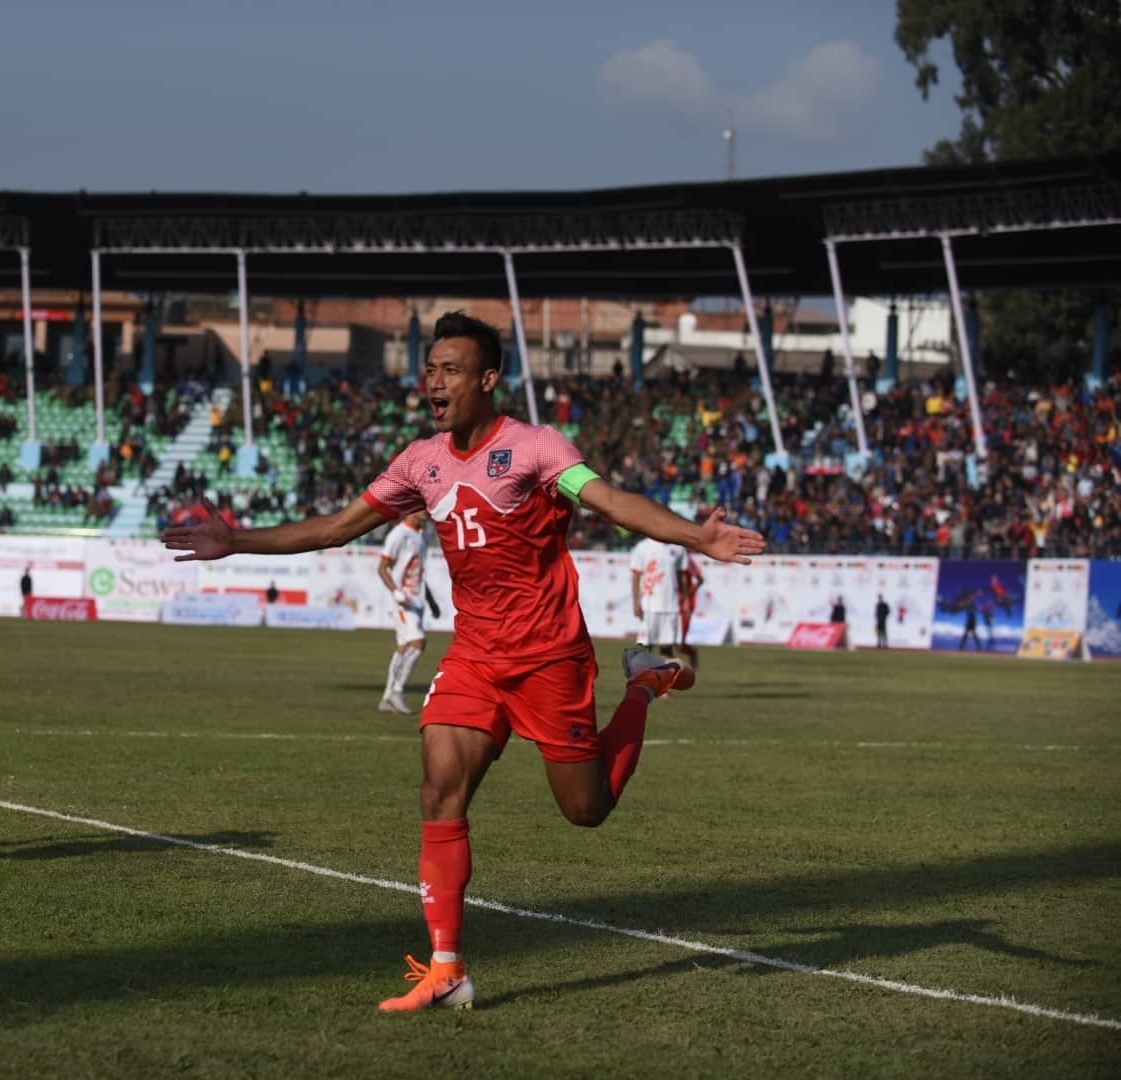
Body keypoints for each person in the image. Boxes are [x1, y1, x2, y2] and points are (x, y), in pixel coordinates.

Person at [163, 312, 764, 1011]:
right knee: (438, 790)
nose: (434, 381)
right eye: (430, 369)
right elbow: (333, 528)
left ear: (486, 379)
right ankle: (446, 969)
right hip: (476, 654)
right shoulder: (420, 462)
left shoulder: (536, 449)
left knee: (587, 810)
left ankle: (644, 684)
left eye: (450, 369)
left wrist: (698, 537)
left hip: (548, 658)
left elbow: (612, 501)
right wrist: (236, 542)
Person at [375, 511, 439, 714]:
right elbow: (382, 568)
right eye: (422, 507)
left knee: (404, 647)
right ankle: (397, 690)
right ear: (410, 509)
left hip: (417, 600)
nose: (427, 511)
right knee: (418, 644)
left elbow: (417, 571)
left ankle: (387, 699)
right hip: (404, 601)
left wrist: (431, 601)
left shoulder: (421, 534)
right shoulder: (398, 535)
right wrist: (396, 592)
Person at [629, 535, 688, 660]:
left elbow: (682, 575)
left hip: (671, 606)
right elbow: (636, 576)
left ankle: (666, 678)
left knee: (667, 647)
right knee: (646, 647)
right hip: (649, 606)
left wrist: (686, 598)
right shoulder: (642, 547)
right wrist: (636, 602)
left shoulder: (679, 548)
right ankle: (644, 678)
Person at [678, 553, 703, 670]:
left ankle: (693, 653)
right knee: (665, 641)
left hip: (684, 605)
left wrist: (686, 597)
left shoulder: (686, 559)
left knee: (680, 644)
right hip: (667, 603)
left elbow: (700, 579)